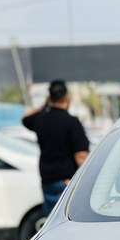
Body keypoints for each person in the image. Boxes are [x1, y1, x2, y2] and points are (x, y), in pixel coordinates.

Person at [22, 80, 90, 217]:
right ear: (67, 98)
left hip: (47, 180)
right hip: (67, 181)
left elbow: (25, 118)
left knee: (52, 221)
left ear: (50, 97)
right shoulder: (72, 122)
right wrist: (87, 181)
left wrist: (45, 104)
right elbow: (81, 156)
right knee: (69, 220)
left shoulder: (40, 119)